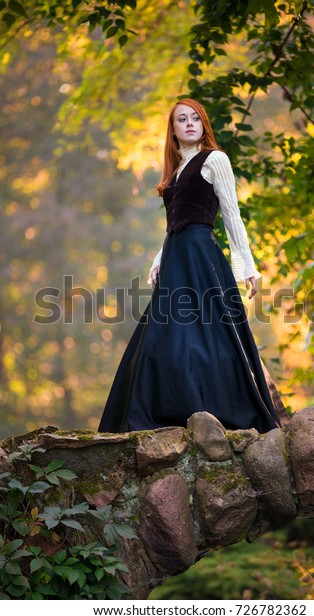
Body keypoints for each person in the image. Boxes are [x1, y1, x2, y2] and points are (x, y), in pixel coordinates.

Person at [98, 98, 289, 433]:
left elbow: (231, 214)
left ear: (203, 124)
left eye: (195, 118)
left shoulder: (215, 159)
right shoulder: (176, 169)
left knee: (211, 335)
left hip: (201, 254)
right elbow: (175, 221)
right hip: (175, 256)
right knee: (166, 336)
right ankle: (170, 411)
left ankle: (218, 411)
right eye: (181, 120)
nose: (189, 124)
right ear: (172, 130)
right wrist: (159, 259)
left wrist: (246, 265)